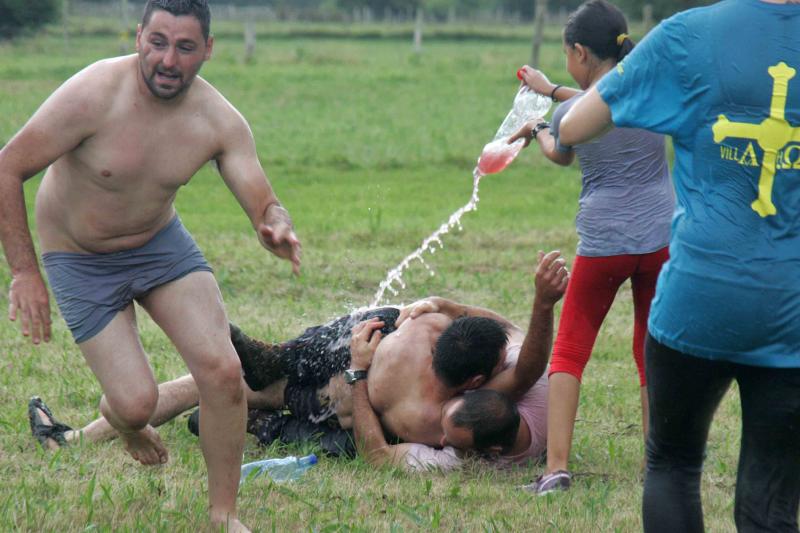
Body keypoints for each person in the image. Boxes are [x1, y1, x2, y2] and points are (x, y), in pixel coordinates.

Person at [3, 1, 302, 530]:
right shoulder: (93, 94)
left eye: (185, 47)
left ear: (207, 49)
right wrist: (25, 272)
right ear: (139, 36)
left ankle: (223, 515)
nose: (168, 60)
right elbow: (8, 167)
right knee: (135, 404)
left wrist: (274, 223)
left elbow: (264, 199)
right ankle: (126, 422)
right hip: (79, 257)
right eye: (158, 42)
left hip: (158, 245)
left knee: (223, 371)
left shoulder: (218, 120)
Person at [556, 0, 800, 531]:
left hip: (699, 298)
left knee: (672, 467)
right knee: (772, 505)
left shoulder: (688, 34)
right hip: (791, 309)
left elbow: (573, 127)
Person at [30, 251, 568, 471]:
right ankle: (272, 369)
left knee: (244, 391)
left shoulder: (449, 444)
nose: (446, 438)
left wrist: (359, 373)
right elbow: (518, 342)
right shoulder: (518, 375)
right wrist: (444, 304)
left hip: (352, 404)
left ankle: (256, 408)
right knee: (232, 380)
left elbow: (377, 454)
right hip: (362, 346)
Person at [506, 0, 674, 494]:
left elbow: (561, 151)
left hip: (605, 244)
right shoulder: (653, 92)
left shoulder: (568, 114)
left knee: (570, 350)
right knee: (650, 350)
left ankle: (556, 468)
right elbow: (606, 96)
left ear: (580, 52)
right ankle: (658, 467)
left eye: (567, 55)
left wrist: (538, 126)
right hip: (661, 238)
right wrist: (551, 89)